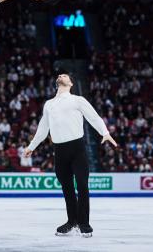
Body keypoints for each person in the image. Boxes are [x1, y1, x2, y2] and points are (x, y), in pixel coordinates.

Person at [24, 73, 117, 238]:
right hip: (59, 151)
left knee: (82, 185)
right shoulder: (49, 104)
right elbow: (43, 129)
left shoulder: (78, 100)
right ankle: (72, 221)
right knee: (67, 188)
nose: (61, 75)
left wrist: (105, 132)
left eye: (65, 75)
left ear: (71, 83)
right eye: (60, 75)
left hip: (77, 149)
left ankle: (84, 223)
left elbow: (94, 118)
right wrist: (31, 146)